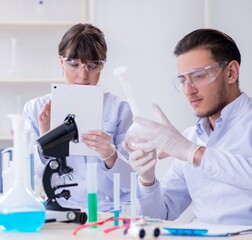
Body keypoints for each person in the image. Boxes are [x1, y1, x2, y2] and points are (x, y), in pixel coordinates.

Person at [123, 28, 252, 225]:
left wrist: (192, 152)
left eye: (199, 76)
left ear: (231, 73)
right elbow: (161, 213)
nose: (188, 90)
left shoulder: (187, 145)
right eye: (183, 80)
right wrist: (147, 179)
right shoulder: (190, 138)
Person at [23, 23, 133, 212]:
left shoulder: (119, 109)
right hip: (58, 210)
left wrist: (111, 155)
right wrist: (46, 141)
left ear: (103, 65)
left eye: (92, 66)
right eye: (74, 64)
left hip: (107, 211)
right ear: (60, 62)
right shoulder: (37, 109)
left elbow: (133, 181)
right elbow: (26, 180)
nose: (83, 76)